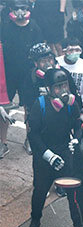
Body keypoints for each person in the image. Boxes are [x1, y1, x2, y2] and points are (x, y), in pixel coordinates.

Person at [26, 69, 83, 227]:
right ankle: (35, 220)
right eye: (58, 87)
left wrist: (77, 140)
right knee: (40, 191)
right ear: (49, 88)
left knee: (73, 191)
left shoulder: (71, 104)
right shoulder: (40, 105)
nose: (62, 90)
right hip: (44, 155)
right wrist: (48, 155)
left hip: (65, 151)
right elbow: (33, 135)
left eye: (64, 85)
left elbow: (78, 124)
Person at [21, 43, 83, 155]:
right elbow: (28, 105)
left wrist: (81, 112)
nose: (48, 63)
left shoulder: (63, 73)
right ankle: (29, 141)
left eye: (50, 59)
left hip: (61, 110)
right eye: (43, 61)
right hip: (41, 112)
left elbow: (74, 94)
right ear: (36, 63)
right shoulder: (31, 78)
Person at [1, 0, 43, 153]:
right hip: (8, 74)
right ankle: (3, 142)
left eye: (23, 8)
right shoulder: (5, 27)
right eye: (17, 9)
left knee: (30, 108)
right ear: (12, 10)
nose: (20, 12)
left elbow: (40, 52)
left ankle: (29, 139)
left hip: (28, 75)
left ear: (28, 9)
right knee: (4, 107)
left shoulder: (34, 28)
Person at [57, 38, 83, 119]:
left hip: (79, 106)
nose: (74, 53)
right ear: (64, 51)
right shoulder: (57, 63)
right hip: (60, 105)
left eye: (77, 50)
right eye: (71, 50)